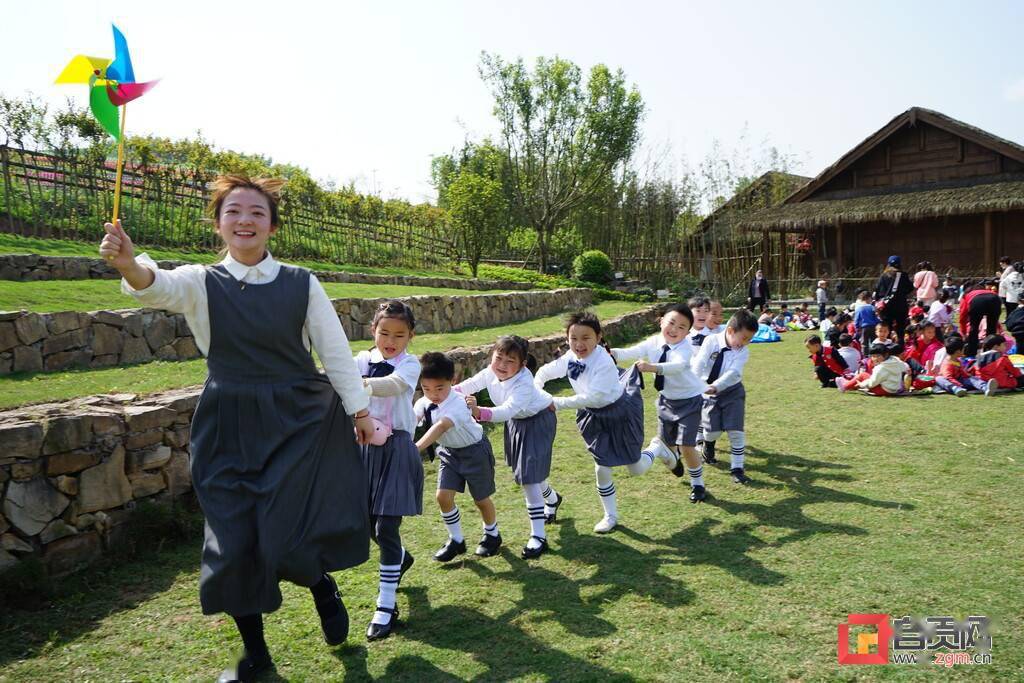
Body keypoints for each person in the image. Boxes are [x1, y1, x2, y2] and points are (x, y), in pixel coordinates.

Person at [103, 175, 376, 681]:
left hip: (296, 421)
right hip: (226, 425)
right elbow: (156, 286)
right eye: (233, 211)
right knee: (231, 543)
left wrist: (361, 414)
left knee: (285, 536)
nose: (245, 220)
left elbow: (335, 352)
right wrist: (128, 265)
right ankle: (257, 660)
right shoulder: (201, 281)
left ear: (272, 225)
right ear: (218, 223)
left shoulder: (301, 281)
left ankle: (320, 585)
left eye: (256, 212)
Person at [535, 312, 652, 532]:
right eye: (573, 338)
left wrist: (556, 402)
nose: (579, 344)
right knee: (602, 467)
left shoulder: (604, 361)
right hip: (594, 418)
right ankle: (610, 516)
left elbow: (595, 397)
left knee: (636, 468)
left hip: (619, 414)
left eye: (586, 338)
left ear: (598, 337)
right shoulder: (570, 357)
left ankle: (658, 448)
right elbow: (546, 371)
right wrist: (536, 388)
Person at [458, 335, 563, 558]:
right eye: (499, 358)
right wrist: (444, 394)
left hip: (538, 420)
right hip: (518, 422)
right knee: (525, 471)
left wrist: (478, 412)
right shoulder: (490, 372)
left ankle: (538, 537)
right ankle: (552, 498)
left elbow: (506, 410)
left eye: (510, 361)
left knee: (528, 477)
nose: (502, 365)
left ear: (523, 364)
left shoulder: (524, 382)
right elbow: (469, 385)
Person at [355, 300, 423, 641]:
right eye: (384, 333)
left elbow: (394, 385)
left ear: (410, 335)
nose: (390, 340)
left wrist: (359, 385)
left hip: (396, 448)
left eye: (399, 334)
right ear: (373, 331)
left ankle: (385, 605)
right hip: (364, 448)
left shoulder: (410, 365)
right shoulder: (361, 360)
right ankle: (400, 559)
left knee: (386, 525)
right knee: (368, 525)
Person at [414, 352, 501, 564]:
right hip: (449, 453)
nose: (432, 394)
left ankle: (492, 534)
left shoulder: (460, 403)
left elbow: (441, 426)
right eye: (426, 389)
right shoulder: (424, 403)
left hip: (474, 451)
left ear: (452, 381)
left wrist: (414, 448)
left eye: (439, 388)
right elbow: (410, 420)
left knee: (480, 499)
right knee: (443, 497)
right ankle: (456, 540)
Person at [691, 310, 758, 483]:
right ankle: (708, 445)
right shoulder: (711, 341)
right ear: (730, 331)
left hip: (732, 391)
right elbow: (699, 363)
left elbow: (734, 373)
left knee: (736, 431)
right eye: (743, 338)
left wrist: (717, 386)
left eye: (750, 339)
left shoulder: (743, 351)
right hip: (708, 392)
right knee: (712, 432)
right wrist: (695, 384)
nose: (746, 343)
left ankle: (737, 468)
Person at [837, 342, 910, 395]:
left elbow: (872, 383)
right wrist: (908, 370)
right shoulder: (895, 360)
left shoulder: (881, 368)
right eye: (873, 356)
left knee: (862, 375)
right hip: (894, 389)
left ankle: (844, 386)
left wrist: (862, 384)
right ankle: (848, 383)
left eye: (878, 356)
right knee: (864, 376)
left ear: (885, 355)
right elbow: (904, 366)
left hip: (883, 390)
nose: (875, 358)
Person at [873, 255, 914, 347]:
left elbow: (878, 291)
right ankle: (899, 349)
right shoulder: (903, 275)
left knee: (887, 329)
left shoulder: (884, 276)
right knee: (900, 330)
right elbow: (910, 288)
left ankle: (886, 348)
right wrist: (901, 294)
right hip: (901, 307)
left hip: (887, 308)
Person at [959, 283, 1003, 356]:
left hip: (977, 301)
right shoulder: (987, 291)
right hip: (995, 299)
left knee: (974, 329)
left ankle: (972, 353)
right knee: (992, 330)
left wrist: (963, 332)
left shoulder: (967, 295)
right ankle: (990, 352)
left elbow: (962, 316)